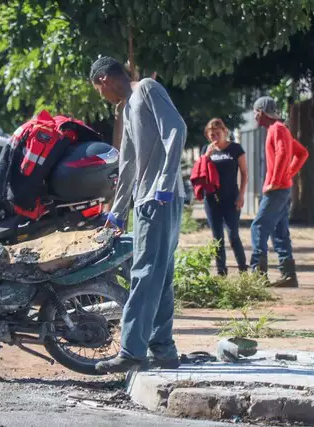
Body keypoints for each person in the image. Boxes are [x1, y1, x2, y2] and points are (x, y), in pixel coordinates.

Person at [89, 56, 187, 373]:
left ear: (103, 79)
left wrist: (165, 182)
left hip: (159, 198)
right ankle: (163, 349)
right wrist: (116, 212)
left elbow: (176, 129)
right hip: (149, 199)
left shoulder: (146, 88)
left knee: (144, 273)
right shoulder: (128, 107)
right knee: (159, 275)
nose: (101, 97)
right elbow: (128, 163)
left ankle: (132, 351)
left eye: (97, 90)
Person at [251, 96, 309, 288]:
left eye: (255, 112)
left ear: (261, 112)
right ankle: (288, 275)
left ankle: (258, 275)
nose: (254, 116)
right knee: (279, 231)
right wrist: (288, 174)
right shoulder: (279, 129)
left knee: (258, 227)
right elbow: (301, 153)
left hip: (277, 190)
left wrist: (276, 181)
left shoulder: (277, 129)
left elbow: (284, 153)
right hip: (282, 188)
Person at [201, 118, 249, 275]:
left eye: (217, 133)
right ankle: (221, 271)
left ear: (224, 132)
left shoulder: (235, 149)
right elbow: (200, 171)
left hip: (231, 198)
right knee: (217, 237)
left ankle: (243, 269)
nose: (214, 137)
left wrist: (241, 195)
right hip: (212, 199)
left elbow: (244, 173)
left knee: (233, 234)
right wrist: (206, 156)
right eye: (211, 135)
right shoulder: (206, 150)